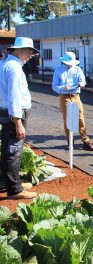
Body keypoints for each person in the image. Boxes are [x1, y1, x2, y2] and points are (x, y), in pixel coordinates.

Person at [0, 37, 38, 199]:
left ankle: (8, 183)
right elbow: (15, 96)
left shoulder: (5, 64)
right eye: (28, 51)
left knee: (7, 149)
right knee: (13, 151)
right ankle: (14, 189)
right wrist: (17, 122)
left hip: (4, 111)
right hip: (14, 114)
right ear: (18, 50)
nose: (30, 55)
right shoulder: (14, 68)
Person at [51, 52, 93, 151]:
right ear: (64, 62)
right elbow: (54, 86)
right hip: (64, 96)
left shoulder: (77, 69)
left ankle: (86, 141)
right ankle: (70, 142)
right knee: (67, 119)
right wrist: (63, 88)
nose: (70, 64)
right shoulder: (58, 71)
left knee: (80, 119)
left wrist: (81, 83)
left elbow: (83, 81)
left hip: (76, 96)